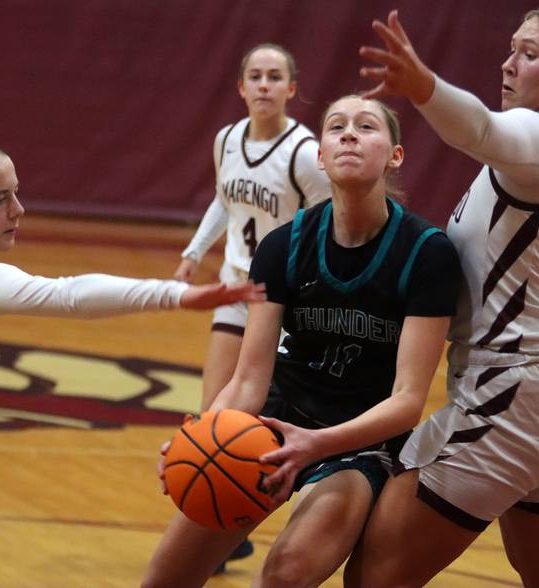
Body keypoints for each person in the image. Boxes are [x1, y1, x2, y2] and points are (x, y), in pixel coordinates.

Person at [259, 7, 539, 587]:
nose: (508, 63)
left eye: (529, 54)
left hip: (515, 393)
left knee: (374, 576)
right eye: (511, 48)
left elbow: (476, 126)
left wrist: (420, 84)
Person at [0, 137, 265, 588]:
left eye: (16, 193)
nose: (18, 209)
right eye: (0, 200)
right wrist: (179, 295)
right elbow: (69, 295)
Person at [142, 95, 461, 588]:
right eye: (336, 127)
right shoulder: (282, 246)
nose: (350, 134)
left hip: (358, 441)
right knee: (165, 577)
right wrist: (200, 438)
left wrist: (315, 445)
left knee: (285, 574)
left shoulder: (427, 253)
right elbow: (248, 378)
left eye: (366, 127)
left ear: (395, 155)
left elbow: (407, 401)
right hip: (276, 419)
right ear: (320, 154)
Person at [173, 42, 331, 573]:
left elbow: (325, 224)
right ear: (241, 87)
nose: (264, 85)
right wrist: (193, 253)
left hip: (284, 300)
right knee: (213, 413)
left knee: (258, 416)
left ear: (292, 88)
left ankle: (242, 509)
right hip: (235, 289)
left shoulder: (306, 153)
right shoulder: (227, 139)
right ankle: (218, 517)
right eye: (255, 77)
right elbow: (224, 199)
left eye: (275, 76)